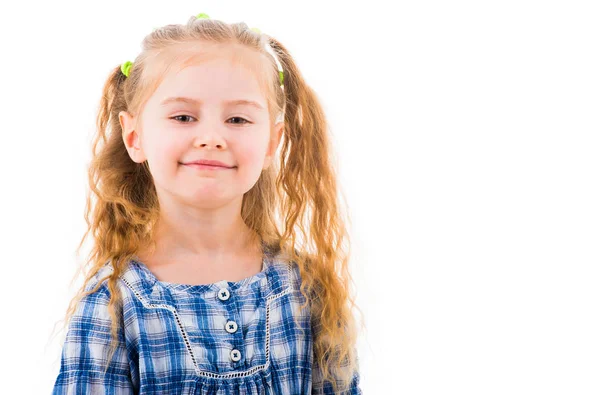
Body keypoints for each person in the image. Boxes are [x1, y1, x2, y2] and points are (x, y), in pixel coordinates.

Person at [51, 12, 363, 394]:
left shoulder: (308, 289)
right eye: (183, 116)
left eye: (237, 119)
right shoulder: (112, 308)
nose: (212, 137)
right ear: (135, 137)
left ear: (272, 142)